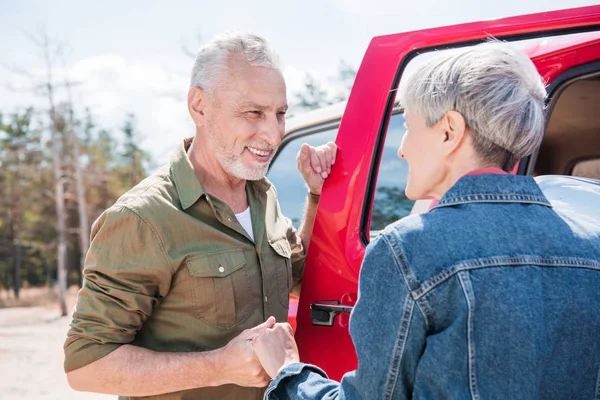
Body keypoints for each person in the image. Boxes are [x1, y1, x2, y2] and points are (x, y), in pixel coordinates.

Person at [252, 42, 600, 399]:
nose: (401, 149)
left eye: (409, 126)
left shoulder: (407, 249)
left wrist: (287, 371)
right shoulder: (593, 246)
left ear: (449, 130)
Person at [64, 32, 337, 400]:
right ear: (199, 106)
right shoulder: (143, 217)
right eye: (254, 112)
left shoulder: (262, 195)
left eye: (280, 113)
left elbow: (302, 278)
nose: (273, 134)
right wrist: (218, 365)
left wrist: (317, 195)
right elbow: (87, 365)